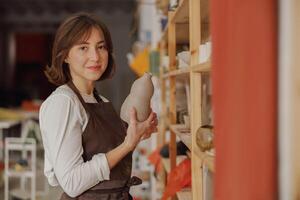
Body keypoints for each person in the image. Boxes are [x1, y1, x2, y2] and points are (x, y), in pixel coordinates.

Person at [39, 12, 158, 200]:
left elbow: (106, 152)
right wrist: (127, 145)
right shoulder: (63, 103)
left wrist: (138, 135)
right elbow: (72, 183)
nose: (95, 57)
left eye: (100, 47)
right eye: (83, 48)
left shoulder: (100, 99)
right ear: (65, 55)